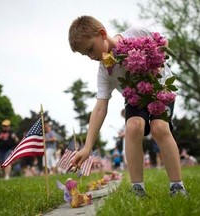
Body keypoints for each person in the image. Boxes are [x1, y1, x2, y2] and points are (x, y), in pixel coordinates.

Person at [69, 15, 188, 197]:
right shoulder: (105, 71)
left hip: (160, 89)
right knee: (133, 126)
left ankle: (177, 186)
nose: (91, 56)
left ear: (102, 34)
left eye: (91, 49)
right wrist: (87, 146)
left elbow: (164, 43)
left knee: (159, 128)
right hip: (135, 97)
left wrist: (153, 60)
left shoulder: (136, 32)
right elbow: (100, 107)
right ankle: (138, 188)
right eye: (86, 54)